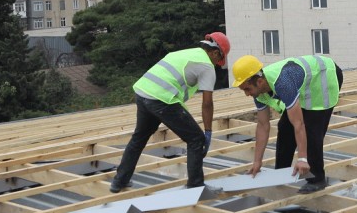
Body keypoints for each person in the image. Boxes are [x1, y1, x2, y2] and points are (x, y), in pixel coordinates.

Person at [110, 32, 231, 193]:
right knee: (196, 138)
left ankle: (119, 181)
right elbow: (207, 103)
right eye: (219, 59)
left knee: (139, 138)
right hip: (161, 99)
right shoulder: (206, 66)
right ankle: (196, 186)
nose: (217, 64)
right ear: (215, 52)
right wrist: (208, 132)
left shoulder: (186, 53)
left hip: (143, 92)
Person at [232, 53, 344, 194]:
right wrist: (257, 162)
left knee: (312, 129)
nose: (247, 94)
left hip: (324, 77)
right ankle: (281, 172)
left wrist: (302, 158)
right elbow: (262, 125)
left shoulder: (283, 82)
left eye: (247, 89)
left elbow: (299, 124)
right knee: (284, 127)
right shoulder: (258, 91)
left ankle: (317, 179)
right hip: (306, 84)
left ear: (259, 81)